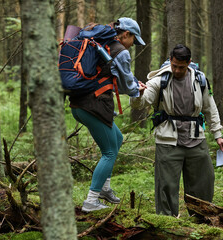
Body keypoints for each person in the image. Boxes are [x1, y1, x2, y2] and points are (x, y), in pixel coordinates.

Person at [130, 44, 223, 216]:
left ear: (189, 63)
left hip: (195, 137)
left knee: (204, 179)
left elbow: (210, 107)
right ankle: (167, 219)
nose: (176, 70)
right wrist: (137, 94)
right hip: (168, 139)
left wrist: (218, 134)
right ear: (170, 61)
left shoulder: (200, 79)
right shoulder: (160, 80)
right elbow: (143, 102)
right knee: (166, 184)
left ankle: (201, 216)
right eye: (174, 66)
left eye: (181, 67)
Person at [69, 17, 146, 212]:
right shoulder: (120, 51)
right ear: (126, 34)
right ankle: (91, 200)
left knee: (117, 139)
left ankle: (105, 189)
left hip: (80, 104)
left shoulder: (102, 46)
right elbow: (127, 85)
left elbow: (112, 80)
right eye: (133, 41)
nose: (133, 46)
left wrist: (132, 84)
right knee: (109, 152)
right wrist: (137, 89)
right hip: (94, 106)